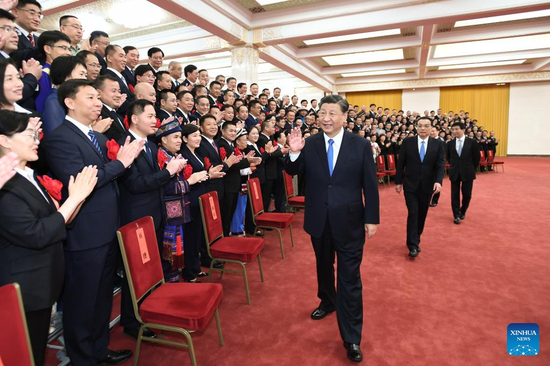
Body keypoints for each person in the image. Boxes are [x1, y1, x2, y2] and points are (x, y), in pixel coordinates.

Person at [43, 79, 143, 366]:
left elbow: (111, 176)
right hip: (84, 234)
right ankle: (82, 358)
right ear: (69, 102)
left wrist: (124, 163)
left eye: (98, 98)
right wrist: (120, 164)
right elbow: (83, 179)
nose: (98, 103)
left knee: (101, 299)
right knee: (81, 302)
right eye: (90, 97)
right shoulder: (59, 139)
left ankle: (100, 350)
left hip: (109, 229)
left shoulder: (97, 138)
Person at [286, 94, 380, 363]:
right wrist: (294, 152)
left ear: (344, 117)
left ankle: (351, 337)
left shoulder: (360, 145)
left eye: (332, 113)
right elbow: (293, 171)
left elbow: (370, 185)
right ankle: (327, 301)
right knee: (323, 265)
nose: (325, 118)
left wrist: (371, 218)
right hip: (319, 219)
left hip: (350, 221)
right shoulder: (310, 143)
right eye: (322, 113)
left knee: (350, 278)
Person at [0, 111, 98, 366]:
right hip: (22, 289)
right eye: (29, 135)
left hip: (42, 282)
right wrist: (74, 199)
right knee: (24, 356)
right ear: (5, 140)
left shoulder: (28, 176)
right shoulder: (6, 187)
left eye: (37, 134)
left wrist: (77, 199)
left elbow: (55, 221)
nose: (37, 140)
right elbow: (37, 234)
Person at [117, 99, 187, 339]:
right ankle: (132, 321)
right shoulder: (125, 144)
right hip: (135, 219)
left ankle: (148, 312)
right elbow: (135, 183)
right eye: (149, 115)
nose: (154, 120)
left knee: (150, 269)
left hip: (154, 217)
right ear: (134, 118)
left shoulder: (149, 145)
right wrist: (168, 172)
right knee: (135, 273)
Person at [157, 121, 207, 279]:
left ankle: (176, 277)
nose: (179, 140)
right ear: (164, 139)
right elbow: (166, 187)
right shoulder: (161, 157)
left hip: (179, 209)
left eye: (180, 137)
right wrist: (190, 181)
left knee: (178, 247)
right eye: (176, 137)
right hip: (169, 211)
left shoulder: (172, 155)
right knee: (169, 250)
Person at [394, 117, 445, 257]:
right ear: (416, 127)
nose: (423, 128)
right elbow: (401, 163)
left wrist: (438, 181)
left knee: (422, 214)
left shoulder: (437, 144)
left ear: (431, 128)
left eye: (426, 126)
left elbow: (440, 164)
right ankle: (412, 245)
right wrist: (398, 182)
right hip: (410, 184)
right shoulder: (408, 142)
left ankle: (416, 238)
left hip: (428, 185)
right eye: (420, 126)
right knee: (413, 213)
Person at [179, 122, 223, 282]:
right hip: (191, 200)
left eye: (199, 135)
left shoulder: (196, 153)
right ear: (185, 138)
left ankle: (196, 267)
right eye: (194, 136)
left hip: (200, 198)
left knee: (197, 235)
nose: (198, 139)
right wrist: (208, 175)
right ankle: (188, 271)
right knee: (190, 237)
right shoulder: (184, 155)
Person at [42, 55, 88, 135]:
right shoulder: (54, 101)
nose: (85, 79)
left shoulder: (70, 98)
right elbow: (57, 136)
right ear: (64, 75)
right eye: (81, 74)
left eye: (85, 75)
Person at [447, 122, 480, 224]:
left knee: (467, 195)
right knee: (454, 195)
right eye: (453, 129)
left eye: (457, 129)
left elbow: (476, 158)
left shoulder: (472, 142)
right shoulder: (450, 143)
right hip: (455, 172)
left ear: (463, 130)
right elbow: (448, 157)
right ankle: (456, 215)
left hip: (468, 172)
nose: (454, 131)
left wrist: (470, 168)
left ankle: (463, 211)